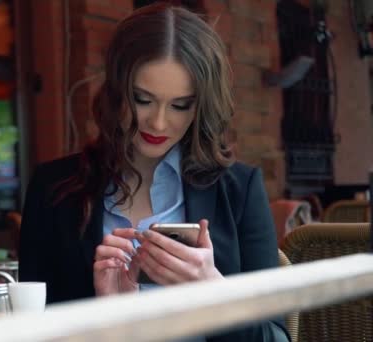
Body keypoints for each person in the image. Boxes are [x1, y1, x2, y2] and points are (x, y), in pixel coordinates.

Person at [19, 3, 290, 341]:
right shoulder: (52, 189)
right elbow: (29, 331)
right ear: (116, 91)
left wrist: (215, 295)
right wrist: (107, 323)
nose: (159, 123)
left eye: (180, 105)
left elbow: (275, 336)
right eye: (142, 99)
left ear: (201, 106)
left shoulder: (240, 190)